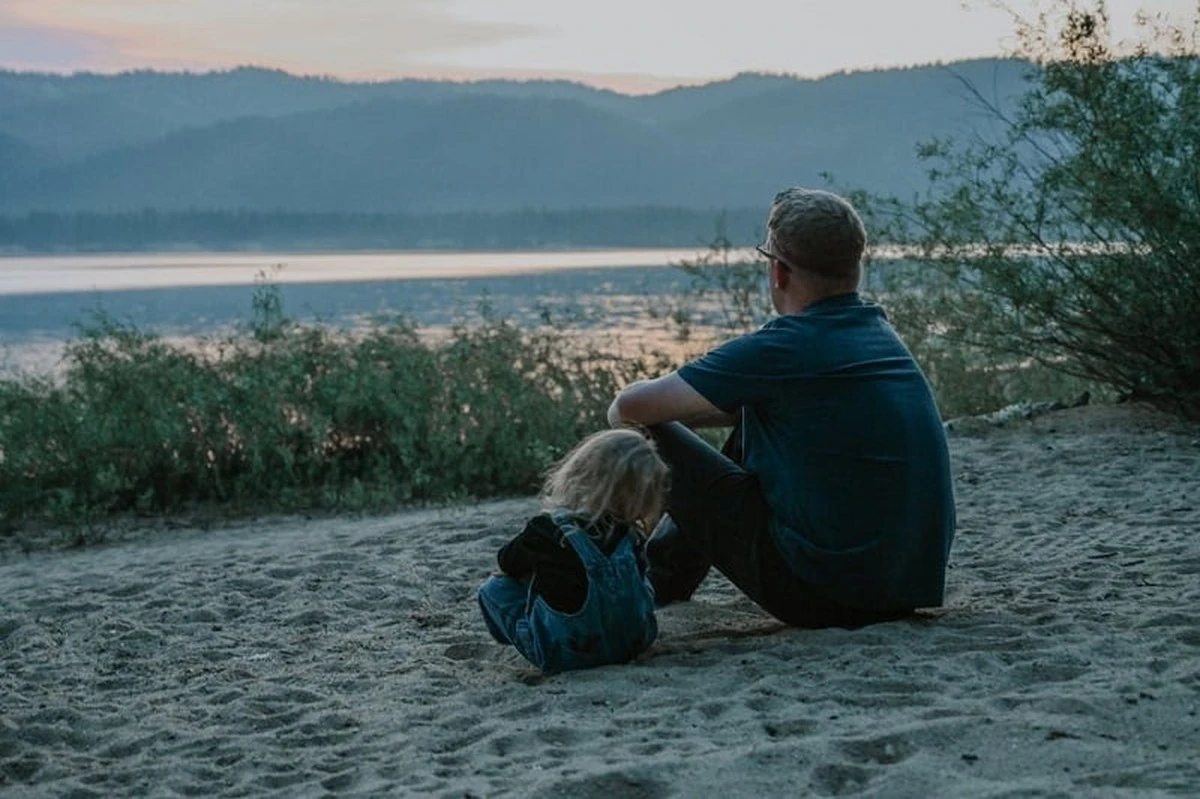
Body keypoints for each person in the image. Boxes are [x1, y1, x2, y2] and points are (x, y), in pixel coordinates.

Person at [607, 187, 956, 629]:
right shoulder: (877, 334)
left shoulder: (785, 348)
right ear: (855, 269)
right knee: (758, 410)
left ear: (778, 272)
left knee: (646, 434)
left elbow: (627, 408)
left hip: (825, 595)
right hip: (906, 585)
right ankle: (663, 576)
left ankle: (646, 575)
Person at [477, 428, 669, 673]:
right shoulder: (632, 536)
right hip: (632, 643)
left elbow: (506, 561)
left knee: (495, 588)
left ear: (582, 472)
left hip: (568, 655)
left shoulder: (547, 530)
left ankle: (523, 636)